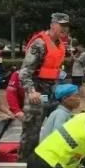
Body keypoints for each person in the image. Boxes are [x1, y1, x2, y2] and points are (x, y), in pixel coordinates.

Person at [18, 13, 69, 160]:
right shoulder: (39, 44)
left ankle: (50, 159)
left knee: (59, 125)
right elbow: (25, 72)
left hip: (52, 92)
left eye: (67, 26)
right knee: (31, 132)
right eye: (61, 25)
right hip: (37, 93)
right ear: (52, 24)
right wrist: (31, 92)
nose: (65, 29)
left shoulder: (60, 44)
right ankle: (23, 164)